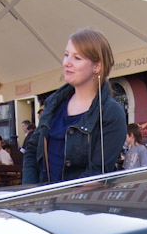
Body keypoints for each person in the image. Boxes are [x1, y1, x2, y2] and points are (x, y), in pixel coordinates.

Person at [23, 28, 126, 185]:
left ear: (97, 66)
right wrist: (30, 194)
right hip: (42, 205)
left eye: (77, 58)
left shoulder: (111, 112)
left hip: (81, 207)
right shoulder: (53, 103)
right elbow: (32, 152)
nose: (66, 63)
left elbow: (97, 173)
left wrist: (63, 203)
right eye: (66, 55)